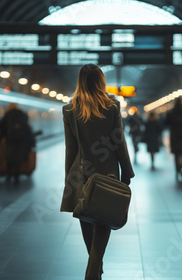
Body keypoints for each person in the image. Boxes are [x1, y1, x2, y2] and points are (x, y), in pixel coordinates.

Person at [60, 64, 134, 280]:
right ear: (101, 81)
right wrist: (127, 171)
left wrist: (68, 178)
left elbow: (70, 149)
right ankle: (93, 269)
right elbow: (118, 142)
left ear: (80, 82)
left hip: (81, 172)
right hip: (108, 171)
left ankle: (94, 266)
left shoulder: (69, 110)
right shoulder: (111, 106)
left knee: (86, 215)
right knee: (104, 217)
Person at [0, 103, 32, 185]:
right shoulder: (22, 114)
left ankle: (9, 174)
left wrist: (1, 138)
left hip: (10, 140)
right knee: (18, 158)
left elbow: (1, 126)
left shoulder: (7, 115)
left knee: (9, 157)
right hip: (20, 140)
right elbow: (26, 127)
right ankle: (16, 176)